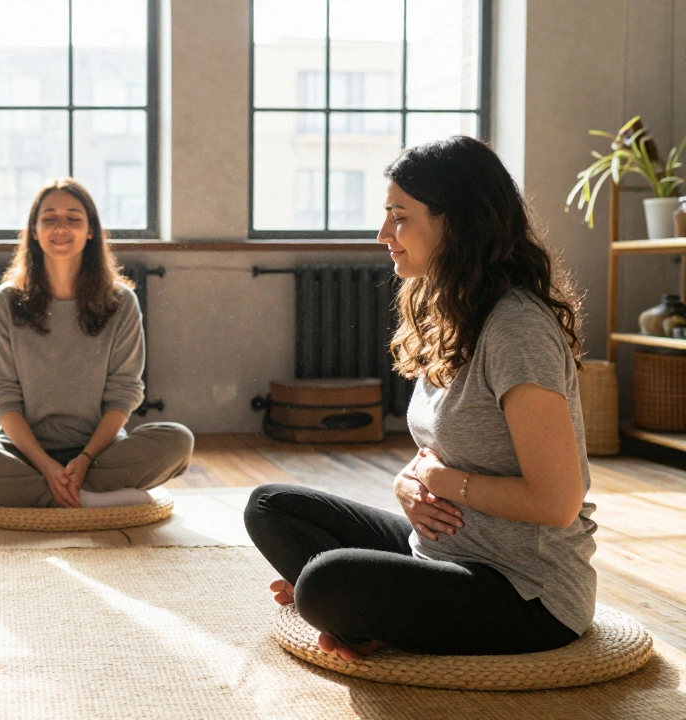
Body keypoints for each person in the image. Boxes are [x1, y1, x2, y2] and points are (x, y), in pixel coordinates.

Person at [245, 136, 597, 661]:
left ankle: (355, 611)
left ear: (455, 221)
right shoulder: (452, 312)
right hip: (442, 549)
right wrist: (407, 483)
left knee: (324, 583)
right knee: (270, 506)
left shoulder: (517, 329)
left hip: (526, 591)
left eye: (399, 216)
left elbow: (557, 502)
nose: (383, 233)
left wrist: (442, 482)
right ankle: (367, 614)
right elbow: (451, 442)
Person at [0, 178, 194, 509]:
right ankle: (85, 498)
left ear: (91, 231)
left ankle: (31, 495)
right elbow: (1, 397)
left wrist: (83, 460)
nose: (61, 227)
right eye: (49, 217)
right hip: (22, 453)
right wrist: (46, 465)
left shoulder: (121, 301)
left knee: (178, 441)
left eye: (73, 218)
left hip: (100, 452)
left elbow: (124, 393)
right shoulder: (3, 302)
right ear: (35, 230)